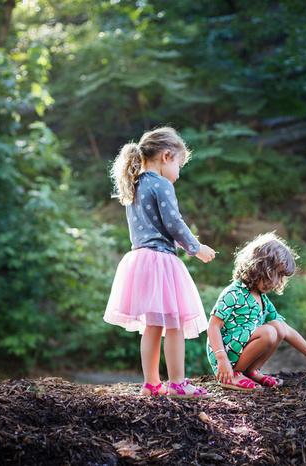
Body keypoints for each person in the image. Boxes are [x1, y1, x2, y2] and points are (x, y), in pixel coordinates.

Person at [104, 126, 216, 398]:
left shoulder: (136, 183)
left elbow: (155, 226)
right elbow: (174, 223)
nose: (178, 175)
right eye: (179, 165)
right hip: (161, 261)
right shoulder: (161, 183)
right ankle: (177, 383)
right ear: (166, 156)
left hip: (140, 260)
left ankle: (151, 384)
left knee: (153, 325)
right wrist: (196, 247)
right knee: (174, 323)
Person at [207, 232, 306, 391]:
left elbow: (285, 330)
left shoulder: (263, 300)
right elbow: (213, 326)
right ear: (261, 267)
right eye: (278, 274)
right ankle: (233, 375)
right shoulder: (233, 293)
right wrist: (221, 358)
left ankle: (251, 371)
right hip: (224, 354)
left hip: (238, 351)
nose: (279, 282)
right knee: (269, 332)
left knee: (278, 327)